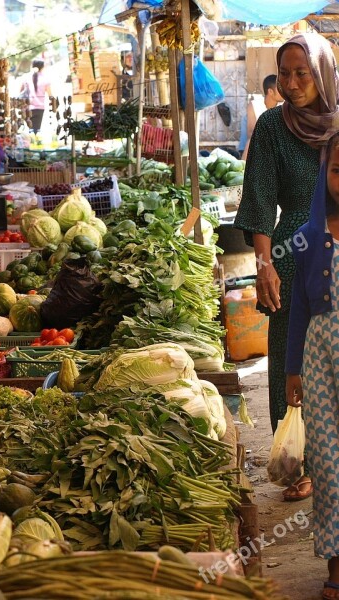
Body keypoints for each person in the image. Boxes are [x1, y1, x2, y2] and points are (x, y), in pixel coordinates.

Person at [234, 32, 339, 502]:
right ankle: (299, 460)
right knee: (290, 359)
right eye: (286, 74)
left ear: (323, 74)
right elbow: (257, 201)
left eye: (303, 73)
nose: (293, 84)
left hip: (335, 247)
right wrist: (264, 265)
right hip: (289, 257)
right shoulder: (274, 127)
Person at [286, 133, 339, 600]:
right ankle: (336, 566)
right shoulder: (306, 237)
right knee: (325, 463)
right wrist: (291, 369)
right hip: (320, 361)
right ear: (325, 175)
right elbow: (298, 311)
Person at [239, 74, 283, 160]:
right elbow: (251, 133)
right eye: (280, 89)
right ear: (270, 91)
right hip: (258, 142)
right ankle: (244, 169)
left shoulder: (284, 106)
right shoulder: (254, 105)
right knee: (252, 140)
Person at [25, 60, 51, 134]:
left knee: (30, 129)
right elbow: (50, 94)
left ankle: (30, 143)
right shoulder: (45, 79)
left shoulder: (27, 77)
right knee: (36, 129)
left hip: (28, 107)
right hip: (40, 108)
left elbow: (21, 92)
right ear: (42, 67)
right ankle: (34, 143)